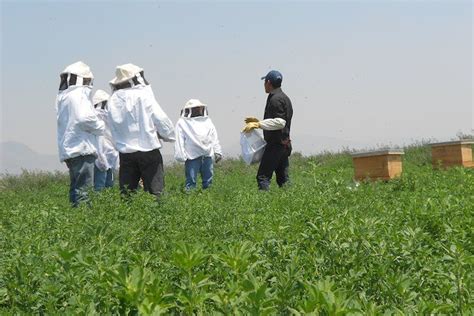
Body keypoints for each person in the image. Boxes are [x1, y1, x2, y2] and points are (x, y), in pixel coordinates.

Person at [107, 63, 175, 199]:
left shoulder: (112, 100)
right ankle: (158, 218)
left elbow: (112, 128)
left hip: (126, 153)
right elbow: (160, 118)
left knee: (127, 194)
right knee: (156, 192)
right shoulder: (143, 95)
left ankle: (127, 219)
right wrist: (169, 135)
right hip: (148, 150)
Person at [56, 61, 105, 206]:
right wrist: (100, 126)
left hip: (70, 150)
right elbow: (85, 118)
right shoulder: (78, 95)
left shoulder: (63, 97)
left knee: (76, 189)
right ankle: (84, 224)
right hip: (81, 149)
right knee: (84, 192)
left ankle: (74, 223)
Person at [243, 70, 293, 190]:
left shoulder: (276, 99)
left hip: (275, 145)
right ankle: (291, 201)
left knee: (262, 177)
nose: (264, 85)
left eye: (264, 82)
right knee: (283, 179)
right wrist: (259, 121)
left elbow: (280, 122)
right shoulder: (284, 97)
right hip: (284, 145)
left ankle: (264, 206)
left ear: (269, 83)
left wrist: (258, 124)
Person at [174, 99, 223, 190]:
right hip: (192, 157)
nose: (198, 110)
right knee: (191, 181)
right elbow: (179, 140)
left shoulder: (207, 121)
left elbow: (214, 138)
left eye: (199, 108)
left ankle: (208, 199)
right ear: (190, 109)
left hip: (207, 155)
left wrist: (218, 151)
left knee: (208, 181)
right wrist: (181, 155)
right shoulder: (182, 122)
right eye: (196, 108)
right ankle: (190, 200)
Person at [92, 89, 119, 191]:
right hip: (98, 158)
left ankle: (106, 206)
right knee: (99, 186)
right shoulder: (94, 117)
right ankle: (99, 206)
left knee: (108, 186)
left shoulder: (107, 118)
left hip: (109, 157)